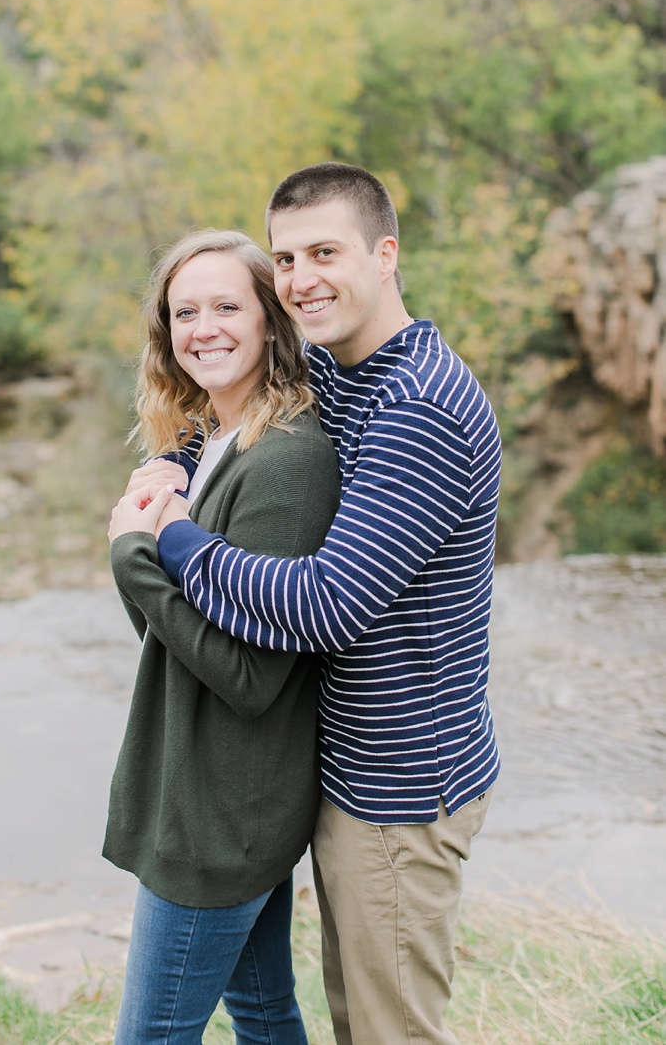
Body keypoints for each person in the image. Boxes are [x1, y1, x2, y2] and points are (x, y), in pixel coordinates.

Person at [137, 164, 502, 1045]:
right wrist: (173, 467)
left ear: (385, 254)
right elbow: (247, 411)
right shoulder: (351, 373)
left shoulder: (420, 406)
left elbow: (327, 605)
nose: (302, 279)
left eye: (325, 252)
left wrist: (171, 540)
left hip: (401, 789)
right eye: (286, 257)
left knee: (387, 1033)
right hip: (345, 769)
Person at [104, 228, 340, 1044]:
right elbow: (164, 636)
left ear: (271, 321)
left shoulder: (284, 462)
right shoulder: (209, 444)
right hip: (215, 798)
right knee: (265, 1013)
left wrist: (133, 553)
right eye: (184, 312)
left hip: (221, 814)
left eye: (226, 306)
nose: (203, 328)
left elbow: (250, 678)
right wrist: (144, 538)